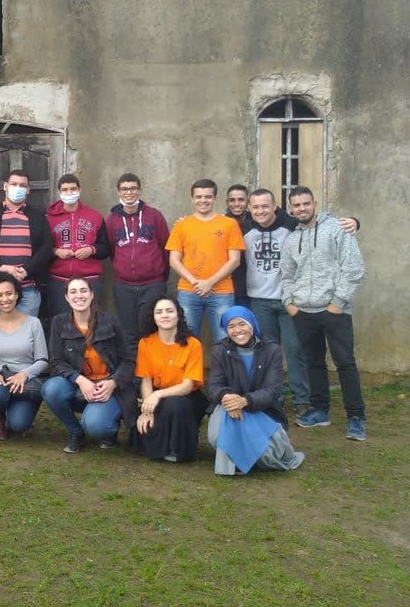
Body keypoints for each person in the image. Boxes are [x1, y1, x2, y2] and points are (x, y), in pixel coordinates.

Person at [243, 188, 360, 417]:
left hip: (292, 303)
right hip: (262, 301)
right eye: (255, 207)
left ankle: (302, 400)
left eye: (265, 206)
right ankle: (272, 398)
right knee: (267, 353)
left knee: (297, 352)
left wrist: (355, 222)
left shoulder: (290, 226)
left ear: (276, 206)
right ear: (249, 209)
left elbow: (319, 225)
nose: (260, 211)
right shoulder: (243, 227)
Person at [281, 187, 367, 440]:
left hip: (334, 310)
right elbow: (286, 275)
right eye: (296, 205)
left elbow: (353, 268)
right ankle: (320, 410)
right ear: (291, 209)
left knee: (345, 363)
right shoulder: (291, 239)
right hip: (303, 311)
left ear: (314, 203)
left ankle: (356, 417)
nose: (301, 209)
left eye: (305, 204)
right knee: (314, 362)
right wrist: (290, 304)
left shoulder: (338, 229)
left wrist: (337, 303)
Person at [41, 277, 136, 453]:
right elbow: (56, 362)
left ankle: (108, 429)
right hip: (78, 385)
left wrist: (113, 382)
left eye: (84, 291)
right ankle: (75, 431)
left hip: (107, 387)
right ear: (66, 298)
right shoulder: (59, 322)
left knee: (95, 426)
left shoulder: (110, 321)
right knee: (51, 389)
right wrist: (80, 380)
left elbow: (128, 360)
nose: (79, 296)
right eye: (73, 292)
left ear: (92, 295)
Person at [207, 307, 305, 476]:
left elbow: (273, 389)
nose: (237, 330)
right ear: (226, 330)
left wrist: (245, 401)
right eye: (231, 326)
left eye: (242, 324)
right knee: (216, 437)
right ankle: (237, 460)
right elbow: (214, 386)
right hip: (228, 407)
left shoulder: (272, 350)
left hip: (262, 409)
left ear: (252, 325)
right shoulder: (220, 350)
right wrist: (228, 397)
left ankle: (245, 457)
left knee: (268, 456)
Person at [165, 179, 245, 342]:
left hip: (222, 291)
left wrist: (209, 282)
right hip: (188, 291)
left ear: (215, 198)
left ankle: (223, 369)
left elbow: (235, 260)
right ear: (192, 199)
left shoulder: (230, 224)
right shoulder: (182, 225)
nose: (203, 200)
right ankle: (192, 369)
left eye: (208, 197)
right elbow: (174, 260)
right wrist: (196, 282)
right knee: (186, 340)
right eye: (199, 197)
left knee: (225, 339)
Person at [134, 297, 208, 463]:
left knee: (175, 404)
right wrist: (147, 411)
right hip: (156, 396)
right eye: (159, 312)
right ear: (153, 317)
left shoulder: (193, 344)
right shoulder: (145, 343)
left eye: (169, 311)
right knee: (144, 431)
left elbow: (188, 386)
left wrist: (158, 395)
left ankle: (181, 449)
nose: (164, 315)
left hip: (186, 398)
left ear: (178, 315)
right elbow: (145, 380)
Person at [105, 173, 171, 352]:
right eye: (125, 189)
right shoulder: (112, 220)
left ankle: (153, 376)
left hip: (152, 284)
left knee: (149, 330)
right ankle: (134, 377)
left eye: (133, 188)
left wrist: (159, 276)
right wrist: (123, 269)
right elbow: (112, 250)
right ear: (118, 191)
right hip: (124, 286)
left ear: (139, 190)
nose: (129, 193)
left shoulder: (154, 216)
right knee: (128, 333)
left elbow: (166, 248)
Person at [0, 272, 48, 440]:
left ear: (17, 294)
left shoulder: (34, 323)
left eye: (9, 293)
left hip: (26, 382)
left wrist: (24, 374)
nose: (5, 299)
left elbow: (42, 360)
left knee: (19, 425)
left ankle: (25, 409)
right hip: (1, 380)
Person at [0, 169, 52, 318]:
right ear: (5, 186)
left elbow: (46, 247)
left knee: (27, 334)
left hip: (28, 288)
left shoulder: (38, 216)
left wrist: (26, 270)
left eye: (23, 185)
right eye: (14, 184)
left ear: (28, 190)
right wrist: (1, 267)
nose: (18, 188)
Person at [46, 173, 111, 314]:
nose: (69, 192)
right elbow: (42, 248)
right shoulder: (49, 219)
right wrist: (56, 251)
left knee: (91, 321)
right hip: (59, 280)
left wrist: (92, 250)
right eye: (65, 189)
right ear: (59, 192)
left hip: (89, 279)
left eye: (73, 189)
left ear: (79, 189)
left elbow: (106, 248)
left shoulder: (95, 216)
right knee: (61, 322)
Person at [224, 184, 251, 307]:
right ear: (227, 202)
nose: (236, 204)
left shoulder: (256, 221)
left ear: (247, 201)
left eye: (241, 200)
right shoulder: (220, 222)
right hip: (226, 285)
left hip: (250, 286)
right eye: (232, 200)